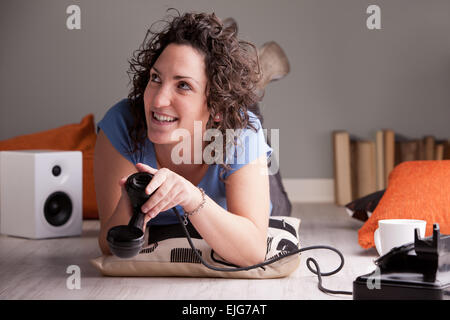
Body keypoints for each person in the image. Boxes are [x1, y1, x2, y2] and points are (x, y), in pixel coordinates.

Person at [94, 9, 273, 267]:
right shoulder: (122, 124)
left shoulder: (242, 133)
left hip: (227, 164)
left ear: (217, 108)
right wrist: (131, 203)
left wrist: (190, 197)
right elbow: (109, 245)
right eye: (156, 78)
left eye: (183, 85)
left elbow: (253, 251)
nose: (157, 100)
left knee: (276, 195)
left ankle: (254, 72)